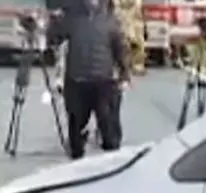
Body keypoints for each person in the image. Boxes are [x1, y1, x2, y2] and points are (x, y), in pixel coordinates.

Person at [48, 0, 130, 159]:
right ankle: (76, 158)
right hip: (77, 81)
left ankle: (112, 162)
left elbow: (119, 47)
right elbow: (54, 39)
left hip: (104, 82)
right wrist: (53, 23)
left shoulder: (110, 17)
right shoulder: (71, 16)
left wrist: (124, 74)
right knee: (76, 136)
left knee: (110, 133)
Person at [115, 0, 146, 75]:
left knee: (137, 44)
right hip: (124, 21)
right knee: (123, 45)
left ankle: (137, 65)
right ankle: (124, 66)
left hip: (134, 23)